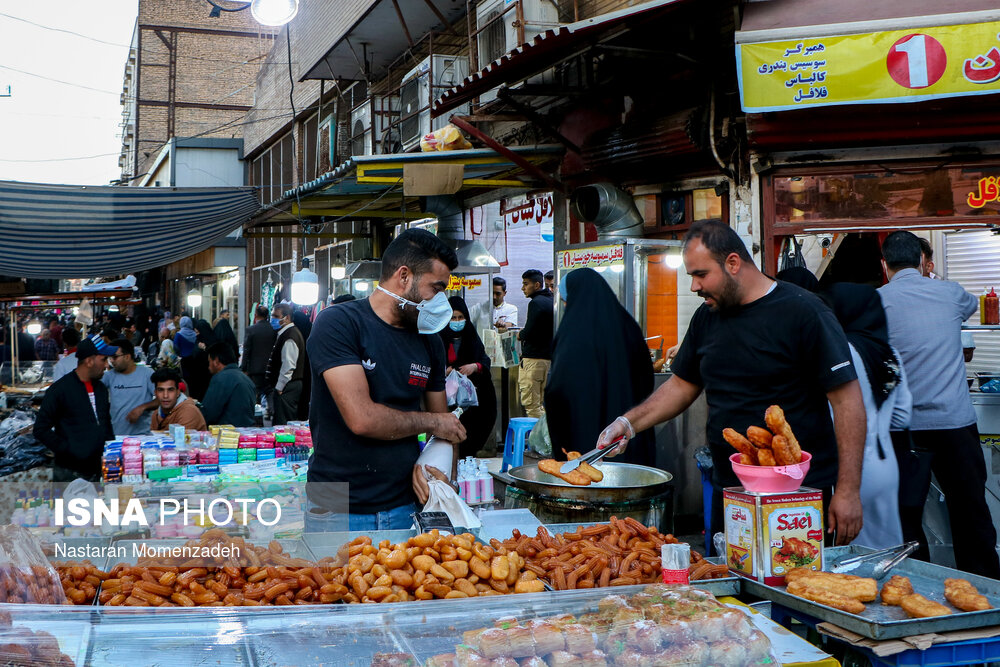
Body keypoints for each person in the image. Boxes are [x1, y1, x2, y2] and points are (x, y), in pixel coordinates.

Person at [597, 220, 866, 546]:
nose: (694, 287)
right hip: (731, 489)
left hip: (798, 494)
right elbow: (682, 385)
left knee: (794, 586)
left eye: (700, 274)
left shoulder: (805, 312)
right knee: (735, 591)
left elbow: (847, 402)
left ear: (733, 263)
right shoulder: (706, 318)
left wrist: (849, 491)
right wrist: (629, 422)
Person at [305, 228, 466, 530]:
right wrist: (433, 422)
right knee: (329, 579)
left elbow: (445, 427)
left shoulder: (429, 340)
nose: (441, 299)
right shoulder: (339, 323)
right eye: (436, 288)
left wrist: (444, 476)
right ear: (404, 277)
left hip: (403, 502)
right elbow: (362, 419)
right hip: (333, 503)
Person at [878, 230, 1000, 578]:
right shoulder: (950, 292)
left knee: (906, 514)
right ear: (922, 262)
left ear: (884, 264)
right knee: (970, 511)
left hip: (904, 428)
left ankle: (914, 586)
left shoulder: (877, 301)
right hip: (954, 423)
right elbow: (970, 306)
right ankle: (986, 591)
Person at [778, 268, 912, 550]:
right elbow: (903, 415)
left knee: (846, 553)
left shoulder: (837, 350)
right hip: (886, 465)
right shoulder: (889, 353)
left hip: (848, 469)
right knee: (884, 550)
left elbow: (833, 411)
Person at [545, 268, 657, 467]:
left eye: (566, 300)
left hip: (584, 442)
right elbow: (646, 378)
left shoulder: (572, 335)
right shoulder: (628, 326)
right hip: (627, 436)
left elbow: (558, 390)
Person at [33, 336, 117, 481]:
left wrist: (111, 453)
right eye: (103, 359)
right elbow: (41, 429)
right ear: (89, 361)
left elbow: (105, 423)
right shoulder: (60, 390)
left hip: (98, 470)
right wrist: (68, 450)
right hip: (69, 473)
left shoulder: (101, 389)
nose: (106, 365)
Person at [440, 296, 498, 458]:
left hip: (474, 403)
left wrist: (475, 366)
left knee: (471, 436)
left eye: (460, 317)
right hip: (448, 403)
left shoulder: (472, 337)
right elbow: (432, 365)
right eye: (452, 318)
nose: (457, 321)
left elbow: (484, 360)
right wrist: (444, 371)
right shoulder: (438, 338)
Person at [517, 269, 554, 418]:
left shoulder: (536, 303)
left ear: (537, 285)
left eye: (526, 284)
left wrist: (520, 334)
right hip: (549, 360)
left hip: (533, 362)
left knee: (532, 406)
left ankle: (538, 441)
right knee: (543, 406)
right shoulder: (552, 300)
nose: (523, 288)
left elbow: (529, 332)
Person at [102, 338, 157, 436]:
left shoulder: (147, 374)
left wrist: (142, 408)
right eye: (110, 358)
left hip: (142, 437)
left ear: (127, 356)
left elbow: (162, 399)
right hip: (117, 437)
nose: (111, 361)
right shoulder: (108, 376)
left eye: (114, 357)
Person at [265, 303, 307, 425]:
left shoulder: (290, 335)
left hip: (287, 386)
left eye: (276, 316)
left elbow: (288, 365)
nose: (273, 319)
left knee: (284, 423)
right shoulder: (286, 334)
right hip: (288, 385)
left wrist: (280, 386)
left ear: (287, 317)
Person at [200, 342, 257, 427]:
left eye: (209, 362)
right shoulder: (246, 379)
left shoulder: (220, 378)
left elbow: (208, 412)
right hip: (246, 431)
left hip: (227, 434)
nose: (209, 366)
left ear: (216, 361)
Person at [241, 306, 277, 403]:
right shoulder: (273, 330)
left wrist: (243, 367)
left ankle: (256, 415)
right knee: (269, 392)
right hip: (270, 368)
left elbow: (247, 350)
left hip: (255, 369)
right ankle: (272, 413)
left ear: (256, 315)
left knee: (255, 393)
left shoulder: (251, 330)